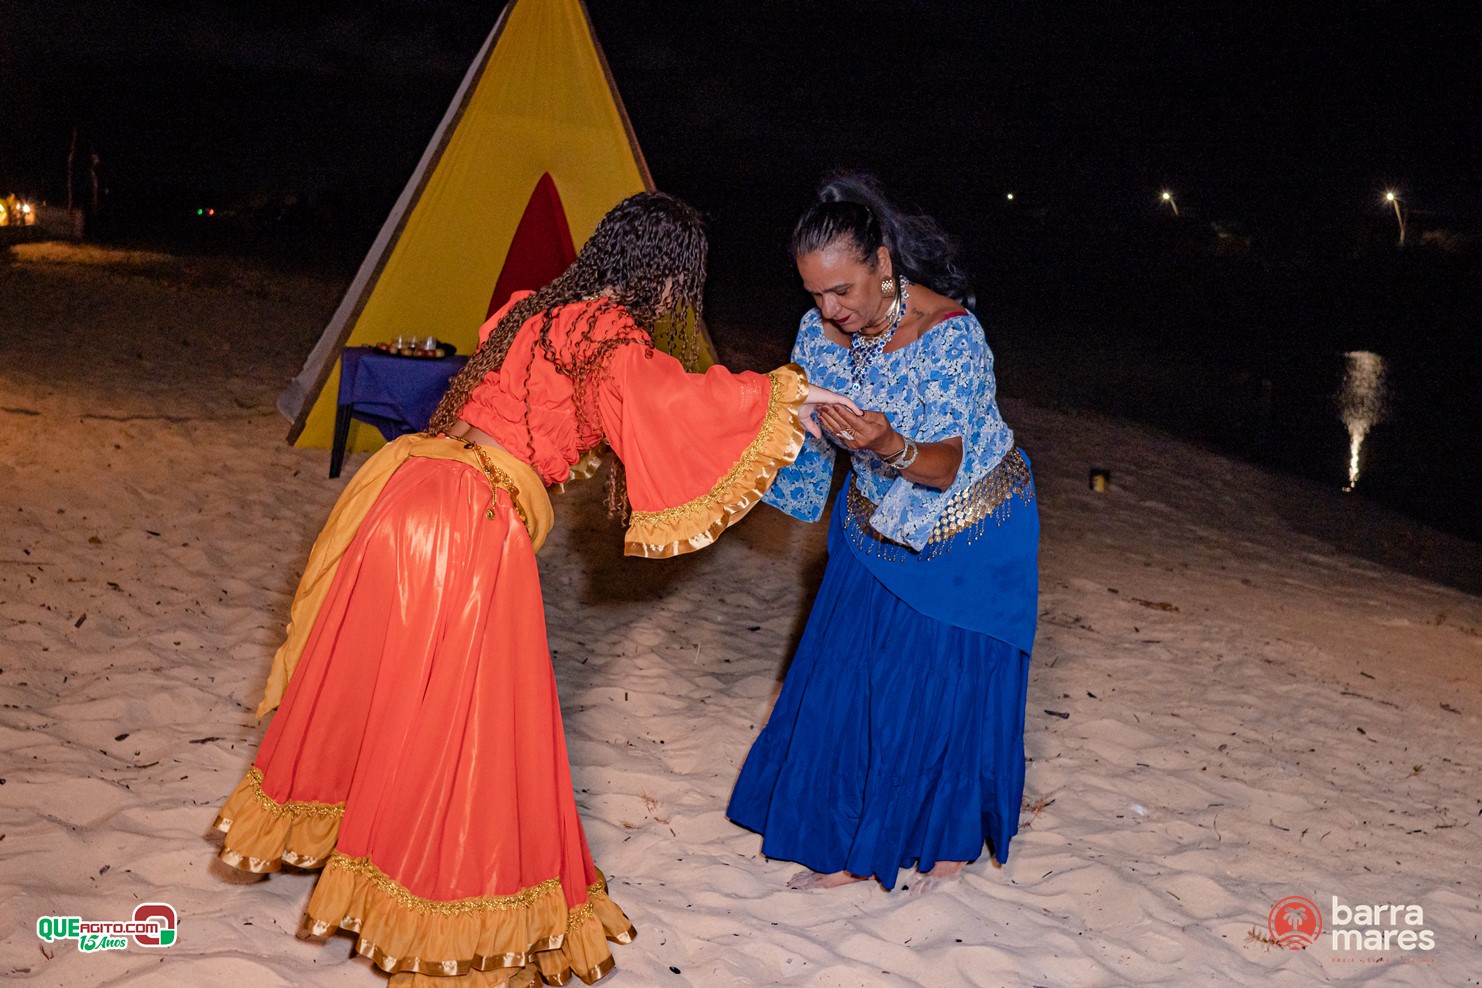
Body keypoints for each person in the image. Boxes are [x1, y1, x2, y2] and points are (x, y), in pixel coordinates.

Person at [213, 191, 858, 986]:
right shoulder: (609, 340)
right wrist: (788, 395)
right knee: (467, 722)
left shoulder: (530, 309)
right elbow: (677, 403)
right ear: (665, 280)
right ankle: (441, 906)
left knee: (395, 688)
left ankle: (370, 847)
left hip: (403, 492)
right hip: (470, 526)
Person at [727, 174, 1040, 893]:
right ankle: (846, 842)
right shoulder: (821, 330)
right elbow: (802, 435)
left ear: (884, 263)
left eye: (842, 290)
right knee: (847, 680)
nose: (829, 310)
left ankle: (947, 842)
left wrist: (888, 443)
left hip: (970, 528)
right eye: (815, 293)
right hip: (873, 519)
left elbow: (944, 465)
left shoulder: (949, 336)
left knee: (939, 691)